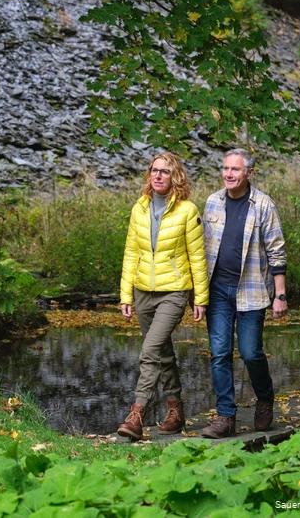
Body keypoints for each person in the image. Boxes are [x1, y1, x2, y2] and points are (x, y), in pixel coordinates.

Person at [117, 151, 209, 440]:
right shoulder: (139, 208)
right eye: (154, 170)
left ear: (175, 176)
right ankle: (176, 410)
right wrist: (126, 295)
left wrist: (200, 298)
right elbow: (131, 252)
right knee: (162, 353)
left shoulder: (187, 211)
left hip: (174, 291)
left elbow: (197, 257)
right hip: (143, 290)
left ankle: (137, 414)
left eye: (165, 171)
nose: (158, 175)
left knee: (149, 351)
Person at [200, 148, 288, 439]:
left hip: (250, 291)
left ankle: (265, 396)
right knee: (220, 354)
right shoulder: (212, 202)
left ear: (249, 173)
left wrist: (280, 295)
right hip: (217, 292)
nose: (228, 174)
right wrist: (197, 293)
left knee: (251, 353)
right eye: (225, 168)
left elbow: (276, 251)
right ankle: (226, 417)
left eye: (235, 170)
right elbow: (200, 251)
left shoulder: (263, 205)